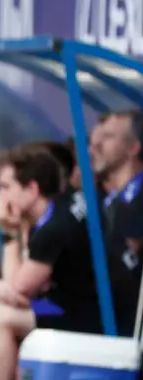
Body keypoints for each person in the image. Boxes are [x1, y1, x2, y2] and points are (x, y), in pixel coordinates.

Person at [0, 144, 102, 380]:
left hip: (81, 314)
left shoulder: (54, 227)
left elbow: (18, 289)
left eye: (5, 187)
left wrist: (8, 234)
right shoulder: (50, 212)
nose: (0, 197)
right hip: (61, 303)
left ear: (32, 189)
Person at [89, 109, 143, 336]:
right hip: (94, 308)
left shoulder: (138, 198)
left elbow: (124, 267)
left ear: (133, 148)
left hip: (123, 322)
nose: (96, 145)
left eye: (108, 137)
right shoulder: (109, 200)